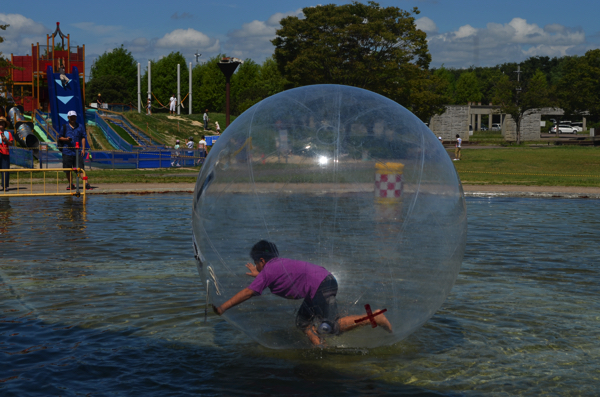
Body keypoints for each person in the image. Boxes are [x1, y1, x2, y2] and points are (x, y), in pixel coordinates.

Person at [213, 240, 392, 347]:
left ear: (261, 260)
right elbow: (283, 275)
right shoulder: (275, 266)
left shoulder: (268, 270)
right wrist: (260, 274)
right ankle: (319, 345)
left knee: (331, 327)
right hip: (324, 281)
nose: (257, 267)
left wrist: (223, 307)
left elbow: (247, 293)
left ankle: (373, 318)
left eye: (256, 263)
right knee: (302, 322)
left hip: (321, 286)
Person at [58, 111, 91, 190]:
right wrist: (66, 139)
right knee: (68, 169)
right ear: (68, 117)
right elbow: (60, 137)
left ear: (76, 117)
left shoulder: (80, 126)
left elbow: (83, 137)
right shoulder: (64, 127)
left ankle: (86, 184)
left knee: (81, 169)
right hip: (67, 152)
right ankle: (71, 184)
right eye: (71, 116)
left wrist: (83, 149)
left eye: (74, 116)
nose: (73, 118)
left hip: (77, 152)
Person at [0, 117, 14, 192]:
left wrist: (6, 140)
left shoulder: (8, 133)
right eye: (0, 123)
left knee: (5, 170)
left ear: (5, 124)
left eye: (2, 123)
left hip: (5, 153)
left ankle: (5, 186)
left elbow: (11, 144)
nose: (1, 124)